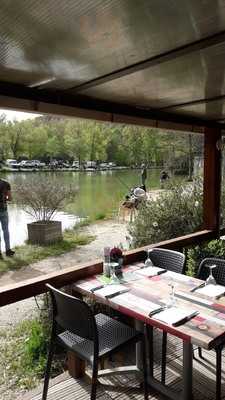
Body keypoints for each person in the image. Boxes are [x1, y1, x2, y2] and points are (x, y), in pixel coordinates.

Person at [0, 178, 15, 258]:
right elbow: (10, 198)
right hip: (3, 210)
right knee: (6, 230)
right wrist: (4, 198)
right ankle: (8, 251)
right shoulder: (6, 183)